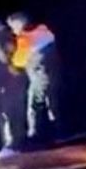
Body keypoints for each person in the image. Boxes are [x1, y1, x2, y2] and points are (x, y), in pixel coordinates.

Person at [7, 12, 59, 144]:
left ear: (19, 23)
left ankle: (35, 136)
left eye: (13, 27)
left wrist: (11, 55)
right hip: (54, 73)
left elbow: (18, 61)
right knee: (53, 103)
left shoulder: (24, 38)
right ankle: (59, 131)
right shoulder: (43, 30)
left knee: (35, 106)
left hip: (39, 77)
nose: (13, 31)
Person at [0, 21, 28, 152]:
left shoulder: (6, 42)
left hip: (12, 86)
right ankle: (13, 144)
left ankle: (14, 144)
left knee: (11, 114)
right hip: (7, 86)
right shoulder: (7, 42)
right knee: (6, 115)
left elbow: (7, 60)